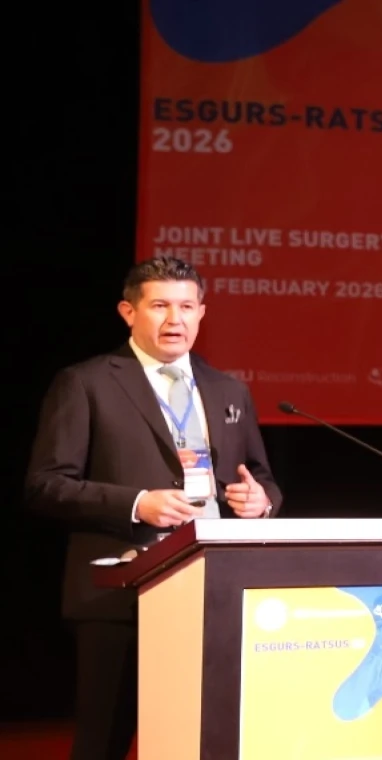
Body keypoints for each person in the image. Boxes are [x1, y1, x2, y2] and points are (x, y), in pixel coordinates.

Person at [25, 256, 282, 760]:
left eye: (186, 307)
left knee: (208, 738)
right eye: (160, 306)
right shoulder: (86, 382)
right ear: (128, 312)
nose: (174, 319)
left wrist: (261, 501)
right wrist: (137, 503)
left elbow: (261, 476)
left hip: (214, 591)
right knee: (103, 742)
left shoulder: (229, 390)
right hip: (121, 594)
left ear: (202, 313)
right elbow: (45, 485)